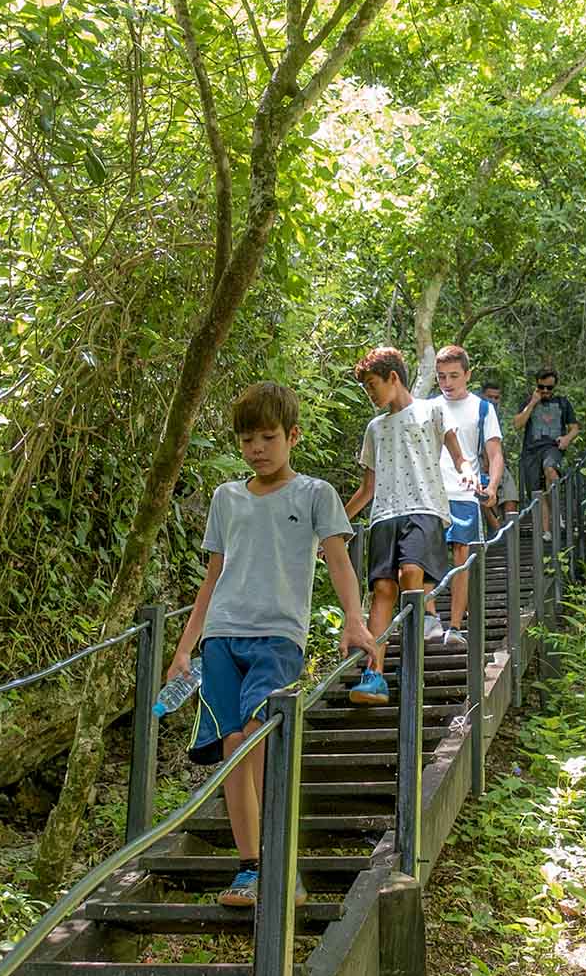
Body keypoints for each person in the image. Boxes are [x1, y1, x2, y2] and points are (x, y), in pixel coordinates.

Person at [166, 382, 376, 908]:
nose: (257, 449)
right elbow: (212, 578)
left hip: (279, 637)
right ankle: (251, 868)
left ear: (292, 436)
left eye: (268, 437)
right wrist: (184, 649)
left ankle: (283, 867)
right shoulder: (226, 498)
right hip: (221, 636)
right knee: (232, 746)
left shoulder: (315, 494)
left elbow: (339, 561)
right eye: (247, 440)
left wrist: (355, 620)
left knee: (260, 740)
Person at [343, 346, 476, 703]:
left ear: (393, 377)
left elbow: (458, 455)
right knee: (383, 590)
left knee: (411, 573)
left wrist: (467, 472)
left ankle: (414, 654)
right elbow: (367, 489)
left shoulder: (432, 410)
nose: (370, 394)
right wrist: (336, 525)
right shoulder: (375, 428)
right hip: (384, 515)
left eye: (372, 385)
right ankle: (374, 674)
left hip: (424, 509)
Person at [434, 346, 503, 648]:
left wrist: (493, 487)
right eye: (441, 377)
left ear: (467, 375)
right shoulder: (429, 407)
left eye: (453, 376)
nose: (447, 383)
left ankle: (455, 626)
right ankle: (429, 619)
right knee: (426, 558)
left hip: (465, 493)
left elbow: (495, 453)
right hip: (431, 493)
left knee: (461, 558)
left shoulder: (482, 408)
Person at [513, 368, 579, 541]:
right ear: (536, 385)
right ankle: (546, 531)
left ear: (554, 387)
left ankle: (557, 514)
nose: (545, 391)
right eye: (541, 387)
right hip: (530, 451)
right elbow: (517, 424)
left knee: (550, 469)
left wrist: (567, 438)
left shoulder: (563, 402)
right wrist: (533, 403)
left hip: (552, 447)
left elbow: (574, 428)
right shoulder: (528, 401)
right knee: (537, 491)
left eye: (549, 388)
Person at [478, 377, 519, 529]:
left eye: (496, 398)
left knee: (510, 493)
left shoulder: (499, 415)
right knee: (484, 495)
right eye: (490, 397)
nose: (493, 401)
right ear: (482, 396)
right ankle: (498, 533)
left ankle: (510, 532)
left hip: (498, 461)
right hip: (478, 462)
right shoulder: (477, 412)